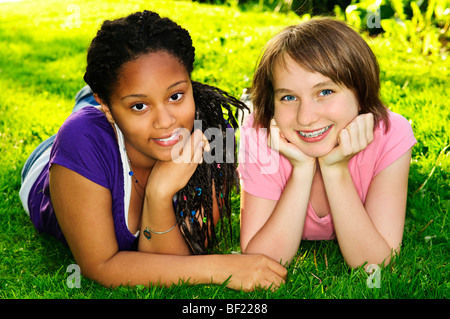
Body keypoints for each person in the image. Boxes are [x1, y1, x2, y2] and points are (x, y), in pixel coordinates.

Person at [19, 10, 286, 291]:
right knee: (84, 117)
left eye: (175, 95)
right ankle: (91, 99)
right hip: (57, 158)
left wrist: (159, 193)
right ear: (108, 107)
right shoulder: (81, 140)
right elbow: (100, 265)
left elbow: (174, 258)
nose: (166, 121)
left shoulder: (213, 135)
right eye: (140, 106)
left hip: (122, 126)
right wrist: (222, 267)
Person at [238, 18, 417, 268]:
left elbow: (375, 263)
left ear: (361, 94)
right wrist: (301, 171)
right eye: (288, 97)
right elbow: (262, 261)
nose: (306, 117)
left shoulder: (390, 133)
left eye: (325, 92)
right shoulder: (260, 134)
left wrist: (335, 169)